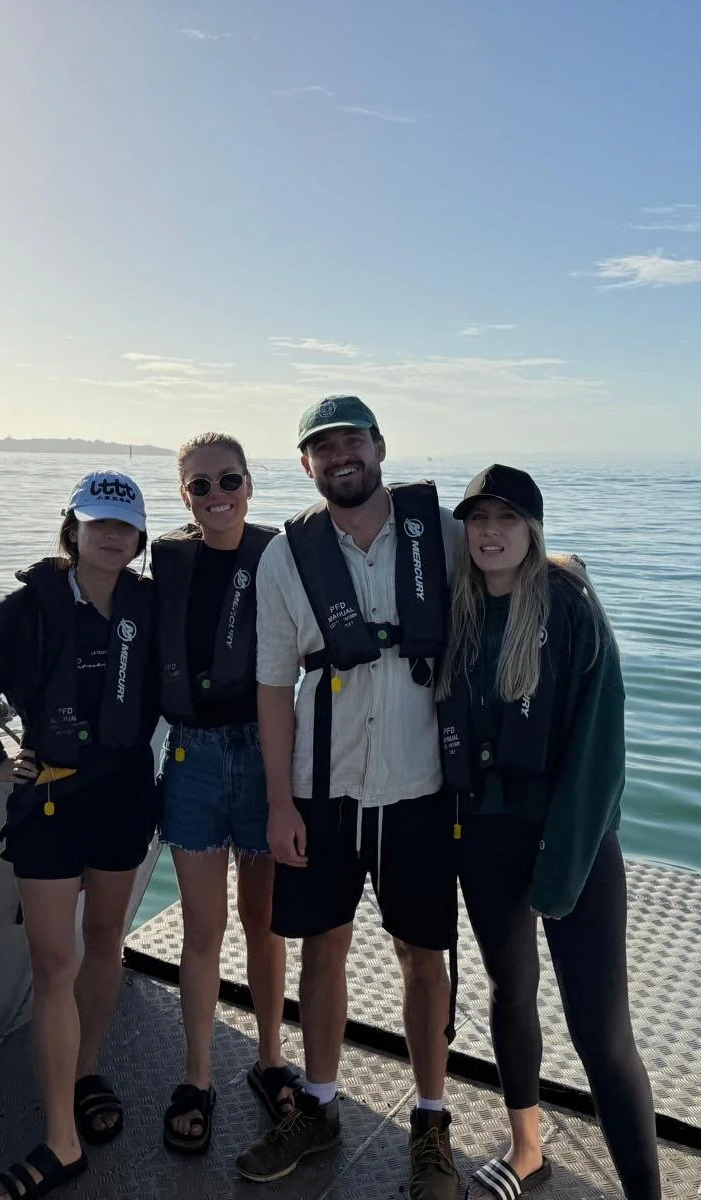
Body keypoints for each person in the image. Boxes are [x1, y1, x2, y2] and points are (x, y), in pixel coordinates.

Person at [235, 395, 463, 1200]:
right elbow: (270, 687)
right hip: (320, 787)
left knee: (423, 959)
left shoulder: (442, 534)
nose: (339, 457)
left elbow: (509, 580)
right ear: (305, 465)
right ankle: (320, 1106)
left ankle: (431, 1123)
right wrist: (278, 805)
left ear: (380, 447)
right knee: (320, 947)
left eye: (351, 442)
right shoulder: (285, 558)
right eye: (321, 448)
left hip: (420, 786)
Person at [0, 469, 160, 1200]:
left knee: (104, 942)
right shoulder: (24, 611)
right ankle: (61, 1137)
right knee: (53, 961)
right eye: (97, 522)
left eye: (124, 525)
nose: (110, 535)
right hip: (51, 801)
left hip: (123, 797)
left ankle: (87, 1069)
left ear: (140, 538)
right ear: (72, 528)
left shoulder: (148, 606)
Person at [438, 464, 660, 1200]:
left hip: (573, 844)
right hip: (487, 839)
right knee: (511, 991)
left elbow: (600, 755)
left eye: (507, 518)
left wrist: (560, 874)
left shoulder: (570, 609)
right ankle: (528, 1149)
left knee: (601, 1032)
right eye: (477, 519)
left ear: (533, 529)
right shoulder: (460, 611)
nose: (490, 532)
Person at [149, 432, 300, 1154]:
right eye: (200, 486)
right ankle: (199, 1074)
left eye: (229, 480)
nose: (217, 496)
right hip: (192, 757)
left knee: (263, 925)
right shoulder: (168, 559)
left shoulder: (279, 554)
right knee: (203, 930)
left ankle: (271, 1060)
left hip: (264, 752)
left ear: (250, 484)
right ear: (183, 495)